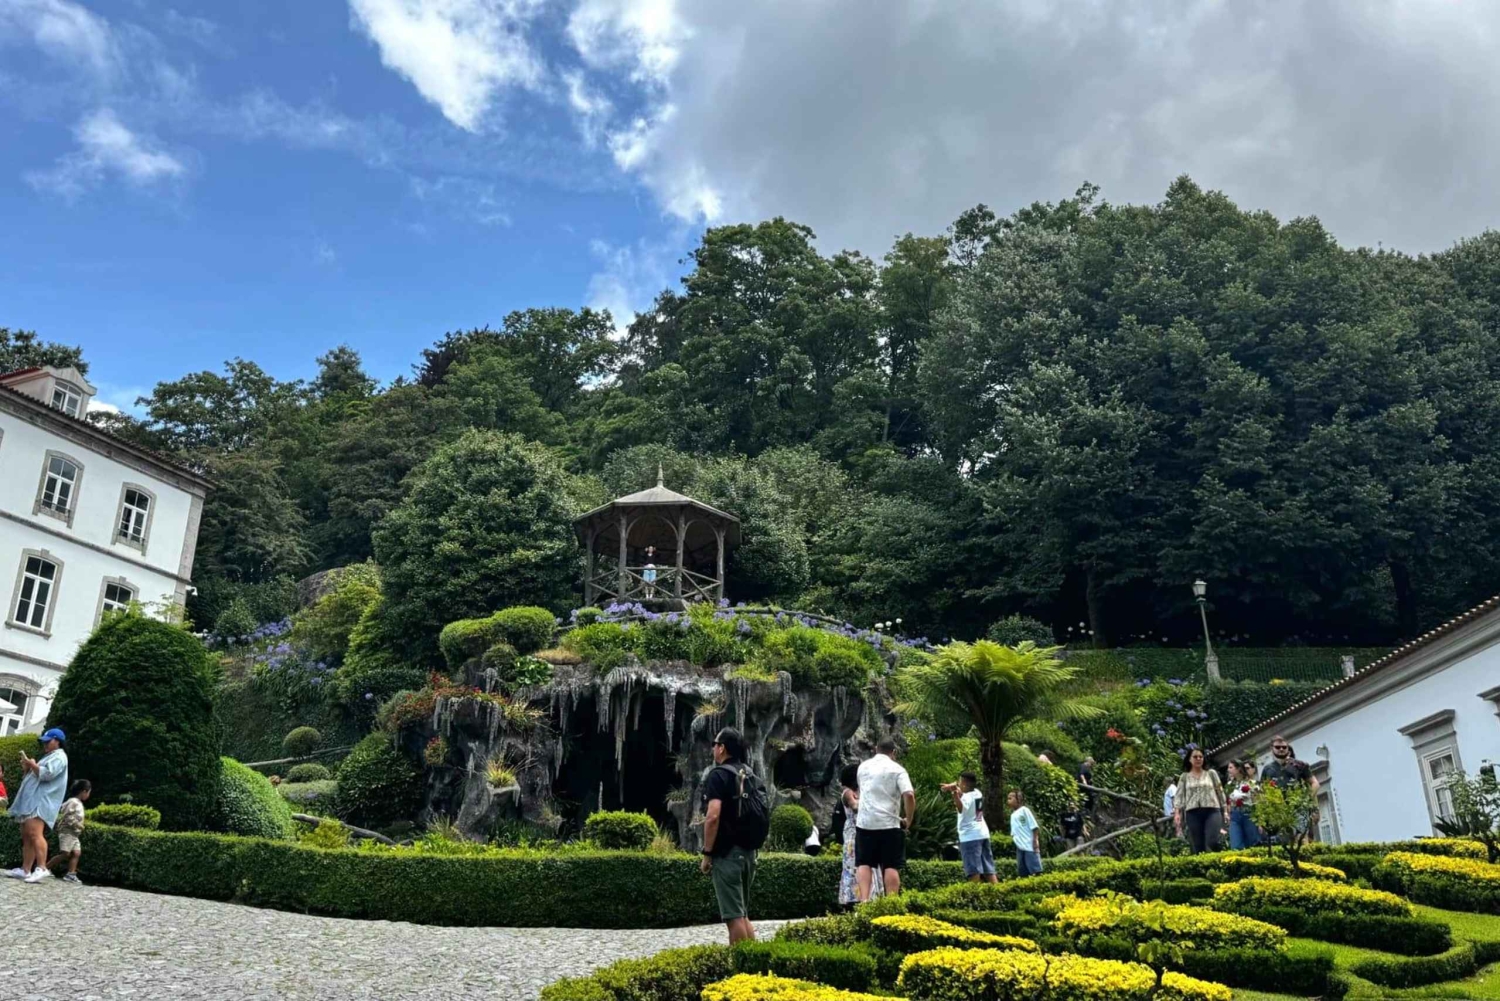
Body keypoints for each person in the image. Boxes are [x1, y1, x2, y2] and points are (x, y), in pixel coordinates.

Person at [700, 727, 759, 944]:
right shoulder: (749, 773)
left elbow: (713, 816)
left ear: (722, 748)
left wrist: (707, 853)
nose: (713, 748)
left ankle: (740, 970)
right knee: (742, 913)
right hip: (749, 852)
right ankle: (753, 964)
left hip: (728, 854)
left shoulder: (719, 775)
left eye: (715, 744)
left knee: (733, 917)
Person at [6, 727, 69, 883]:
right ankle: (26, 869)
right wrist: (28, 767)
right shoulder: (50, 756)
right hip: (32, 801)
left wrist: (32, 765)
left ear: (57, 741)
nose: (45, 745)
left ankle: (41, 867)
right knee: (27, 835)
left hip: (41, 802)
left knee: (35, 834)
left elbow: (47, 774)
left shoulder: (59, 757)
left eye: (48, 741)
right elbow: (36, 775)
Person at [855, 737, 914, 901]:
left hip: (865, 823)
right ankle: (891, 903)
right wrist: (908, 820)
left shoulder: (863, 767)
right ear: (893, 752)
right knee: (891, 865)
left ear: (875, 749)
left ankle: (864, 902)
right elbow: (909, 794)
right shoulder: (897, 769)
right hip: (889, 824)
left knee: (864, 863)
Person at [836, 764, 881, 907]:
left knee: (869, 865)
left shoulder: (864, 791)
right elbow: (855, 807)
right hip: (853, 834)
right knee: (853, 865)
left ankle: (869, 895)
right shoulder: (847, 792)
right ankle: (853, 898)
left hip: (867, 830)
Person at [941, 771, 997, 883]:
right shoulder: (977, 793)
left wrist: (954, 794)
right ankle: (998, 893)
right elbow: (964, 795)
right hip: (983, 833)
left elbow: (961, 808)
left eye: (960, 781)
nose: (958, 784)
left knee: (973, 870)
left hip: (970, 837)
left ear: (965, 784)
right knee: (988, 869)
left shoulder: (966, 797)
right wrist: (954, 788)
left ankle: (974, 897)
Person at [1261, 736, 1320, 841]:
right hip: (1279, 811)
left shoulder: (1299, 765)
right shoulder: (1267, 769)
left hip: (1298, 808)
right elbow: (1263, 793)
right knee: (1284, 841)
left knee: (1302, 839)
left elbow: (1315, 783)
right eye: (1278, 747)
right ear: (1272, 748)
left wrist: (1306, 800)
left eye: (1284, 747)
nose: (1281, 749)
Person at [1174, 748, 1228, 854]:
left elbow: (1220, 791)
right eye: (1195, 757)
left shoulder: (1211, 774)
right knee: (1198, 846)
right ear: (1189, 759)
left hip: (1212, 810)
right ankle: (1204, 868)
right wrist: (1177, 813)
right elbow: (1179, 795)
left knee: (1212, 841)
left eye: (1201, 757)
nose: (1198, 759)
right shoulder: (1184, 777)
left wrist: (1225, 810)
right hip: (1192, 812)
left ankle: (1223, 857)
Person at [47, 779, 91, 883]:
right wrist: (78, 825)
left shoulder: (78, 803)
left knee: (76, 853)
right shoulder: (73, 802)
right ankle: (45, 867)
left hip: (74, 833)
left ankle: (71, 874)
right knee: (65, 854)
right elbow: (67, 815)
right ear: (84, 791)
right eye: (89, 792)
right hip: (67, 831)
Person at [1008, 789, 1042, 876]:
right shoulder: (1012, 815)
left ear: (1018, 799)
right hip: (1020, 847)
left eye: (1010, 798)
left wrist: (1035, 841)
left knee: (1035, 870)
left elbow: (1034, 827)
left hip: (1029, 845)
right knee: (1023, 871)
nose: (1008, 800)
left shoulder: (1024, 810)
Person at [1226, 762, 1259, 850]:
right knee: (1236, 845)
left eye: (1231, 767)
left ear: (1238, 769)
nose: (1228, 770)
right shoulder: (1230, 785)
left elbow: (1257, 800)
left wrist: (1260, 821)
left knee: (1252, 843)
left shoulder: (1251, 783)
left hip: (1249, 813)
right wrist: (1228, 814)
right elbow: (1228, 801)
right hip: (1235, 815)